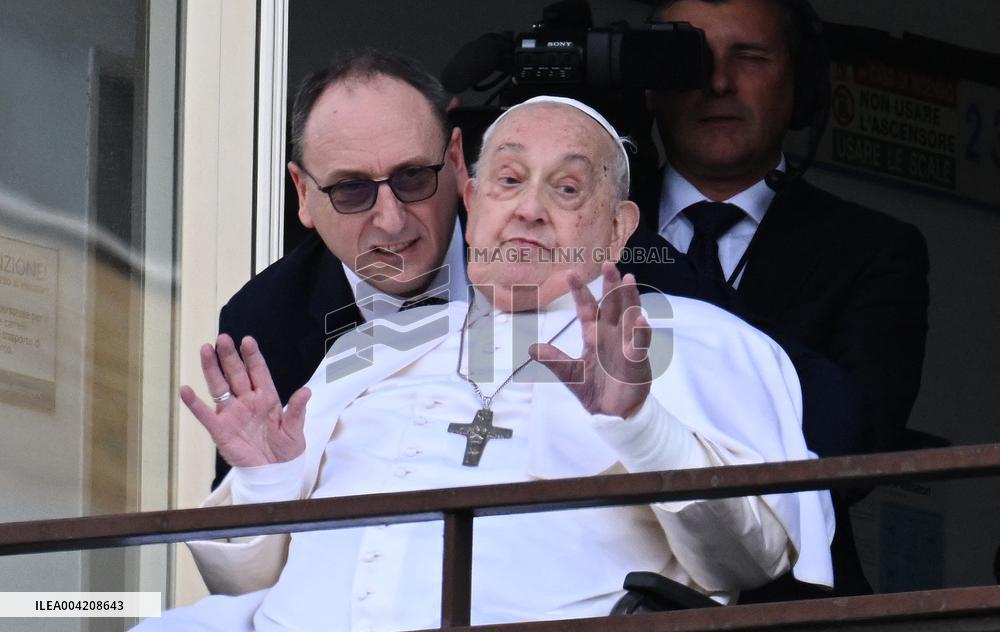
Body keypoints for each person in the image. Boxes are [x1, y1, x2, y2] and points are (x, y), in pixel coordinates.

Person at [137, 97, 833, 630]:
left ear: (619, 227)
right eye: (508, 180)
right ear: (472, 201)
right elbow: (245, 581)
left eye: (566, 190)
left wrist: (642, 424)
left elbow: (748, 562)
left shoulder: (694, 337)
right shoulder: (369, 350)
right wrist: (268, 480)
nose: (529, 210)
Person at [630, 0, 931, 599]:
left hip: (788, 601)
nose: (717, 82)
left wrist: (647, 257)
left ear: (803, 87)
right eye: (691, 59)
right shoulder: (559, 225)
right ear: (650, 87)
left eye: (750, 56)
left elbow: (854, 451)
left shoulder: (875, 248)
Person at [213, 49, 469, 487]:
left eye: (412, 177)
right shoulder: (264, 320)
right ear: (303, 193)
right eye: (351, 189)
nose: (390, 219)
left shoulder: (549, 262)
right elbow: (249, 542)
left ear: (458, 161)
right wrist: (269, 481)